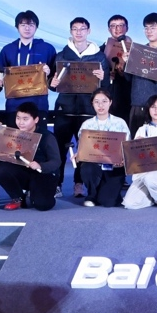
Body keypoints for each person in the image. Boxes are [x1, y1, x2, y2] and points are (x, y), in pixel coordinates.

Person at [52, 17, 108, 197]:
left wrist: (103, 78)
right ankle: (57, 184)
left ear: (88, 31)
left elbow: (106, 85)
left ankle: (79, 183)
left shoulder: (99, 56)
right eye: (75, 29)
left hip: (87, 110)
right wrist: (52, 83)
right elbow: (53, 83)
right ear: (71, 31)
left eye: (82, 28)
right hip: (64, 110)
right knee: (59, 149)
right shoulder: (61, 55)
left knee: (85, 150)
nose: (78, 32)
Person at [0, 102, 60, 211]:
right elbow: (3, 156)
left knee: (43, 205)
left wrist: (40, 166)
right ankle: (18, 198)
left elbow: (56, 161)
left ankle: (36, 193)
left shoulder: (47, 137)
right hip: (23, 171)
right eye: (18, 118)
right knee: (2, 170)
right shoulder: (12, 135)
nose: (21, 122)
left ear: (36, 120)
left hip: (42, 174)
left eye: (25, 119)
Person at [76, 88, 130, 208]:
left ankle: (104, 194)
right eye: (97, 102)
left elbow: (127, 146)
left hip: (115, 167)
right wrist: (78, 153)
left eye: (104, 101)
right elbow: (83, 147)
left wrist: (122, 158)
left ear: (110, 102)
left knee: (108, 202)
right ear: (92, 104)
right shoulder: (87, 125)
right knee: (87, 168)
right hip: (94, 166)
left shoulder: (120, 123)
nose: (100, 105)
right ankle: (91, 194)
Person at [124, 12, 157, 133]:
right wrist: (127, 63)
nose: (148, 31)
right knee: (138, 142)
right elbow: (129, 79)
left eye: (153, 28)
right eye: (146, 28)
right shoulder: (138, 52)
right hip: (139, 105)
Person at [122, 95, 157, 209]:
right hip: (143, 172)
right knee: (129, 204)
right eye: (153, 107)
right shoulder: (142, 130)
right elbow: (134, 158)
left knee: (151, 179)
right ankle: (156, 194)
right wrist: (136, 146)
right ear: (148, 110)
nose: (156, 110)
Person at [0, 10, 55, 115]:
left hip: (39, 104)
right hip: (14, 104)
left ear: (36, 27)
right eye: (23, 25)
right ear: (17, 27)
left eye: (31, 25)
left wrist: (49, 73)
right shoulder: (7, 49)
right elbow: (0, 73)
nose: (27, 28)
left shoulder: (47, 48)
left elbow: (55, 77)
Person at [103, 15, 134, 123]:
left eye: (121, 25)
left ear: (127, 28)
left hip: (127, 97)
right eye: (113, 26)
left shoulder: (136, 51)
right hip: (108, 96)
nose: (117, 29)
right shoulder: (100, 50)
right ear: (109, 29)